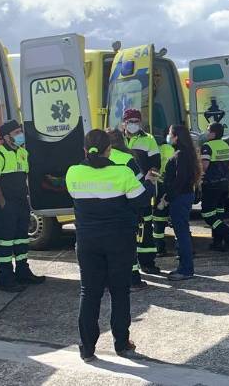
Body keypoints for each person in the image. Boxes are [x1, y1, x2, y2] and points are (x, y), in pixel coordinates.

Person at [66, 129, 151, 361]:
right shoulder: (122, 173)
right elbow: (141, 201)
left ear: (85, 149)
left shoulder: (73, 173)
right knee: (120, 292)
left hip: (87, 241)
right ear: (110, 149)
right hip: (119, 241)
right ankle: (122, 343)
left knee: (89, 293)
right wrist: (150, 184)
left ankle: (86, 348)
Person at [0, 120, 45, 292]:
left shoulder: (22, 153)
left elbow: (24, 177)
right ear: (6, 137)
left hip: (20, 203)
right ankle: (6, 279)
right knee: (5, 242)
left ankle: (23, 272)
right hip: (6, 204)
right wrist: (3, 202)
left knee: (21, 239)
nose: (20, 135)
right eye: (17, 132)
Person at [107, 129, 154, 288]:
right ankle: (133, 278)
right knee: (128, 245)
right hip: (126, 207)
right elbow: (138, 184)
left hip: (105, 208)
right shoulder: (128, 159)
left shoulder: (97, 159)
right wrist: (149, 182)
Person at [160, 125, 201, 281]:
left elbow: (179, 180)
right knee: (182, 232)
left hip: (180, 197)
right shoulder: (185, 154)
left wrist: (167, 198)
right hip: (183, 196)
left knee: (182, 233)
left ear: (176, 137)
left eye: (170, 134)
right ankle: (184, 267)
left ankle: (186, 269)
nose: (168, 136)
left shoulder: (180, 155)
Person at [121, 109, 160, 268]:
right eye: (130, 121)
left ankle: (147, 262)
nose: (133, 124)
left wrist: (149, 182)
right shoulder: (116, 140)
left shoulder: (148, 139)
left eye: (136, 121)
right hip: (122, 190)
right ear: (124, 123)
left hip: (142, 189)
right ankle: (130, 264)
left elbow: (156, 165)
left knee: (146, 226)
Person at [200, 123, 229, 252]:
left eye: (208, 131)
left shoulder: (207, 146)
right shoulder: (225, 145)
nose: (206, 133)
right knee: (218, 214)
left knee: (208, 214)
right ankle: (217, 242)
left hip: (211, 185)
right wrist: (221, 171)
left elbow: (204, 166)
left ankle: (228, 233)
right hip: (223, 184)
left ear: (214, 133)